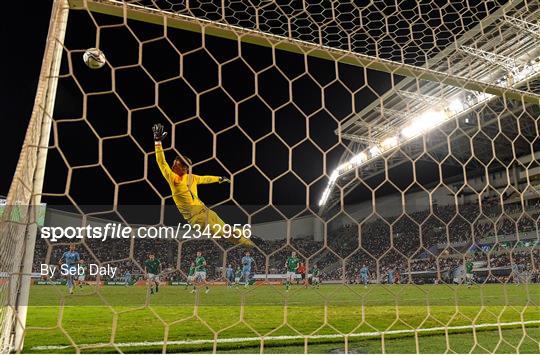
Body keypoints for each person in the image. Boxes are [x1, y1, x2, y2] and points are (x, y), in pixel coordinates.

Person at [152, 123, 253, 246]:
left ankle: (250, 244)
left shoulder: (191, 178)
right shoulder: (173, 179)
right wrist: (158, 142)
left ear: (184, 169)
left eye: (176, 165)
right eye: (174, 163)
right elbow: (161, 162)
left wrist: (219, 178)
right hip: (197, 219)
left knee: (228, 230)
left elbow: (205, 178)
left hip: (206, 211)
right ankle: (248, 245)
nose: (172, 166)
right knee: (223, 233)